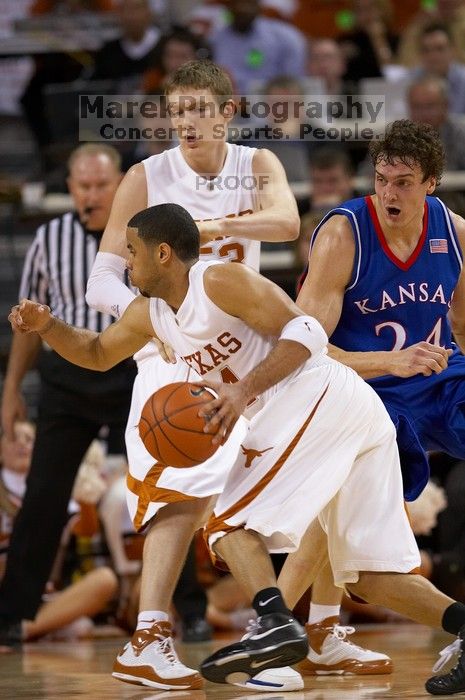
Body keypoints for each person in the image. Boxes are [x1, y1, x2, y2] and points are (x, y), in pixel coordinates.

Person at [10, 201, 465, 697]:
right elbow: (97, 354)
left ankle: (273, 624)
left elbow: (308, 331)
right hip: (349, 416)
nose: (125, 264)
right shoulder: (151, 315)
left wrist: (243, 390)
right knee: (373, 578)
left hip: (318, 399)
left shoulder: (218, 281)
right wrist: (49, 327)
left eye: (132, 252)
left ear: (163, 254)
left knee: (226, 525)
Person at [84, 58, 305, 691]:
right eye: (177, 111)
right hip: (180, 350)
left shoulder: (257, 166)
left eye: (198, 110)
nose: (186, 122)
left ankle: (300, 628)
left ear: (226, 112)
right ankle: (152, 633)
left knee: (285, 479)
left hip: (251, 348)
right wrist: (154, 316)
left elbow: (287, 222)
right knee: (187, 487)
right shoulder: (147, 177)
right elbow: (103, 276)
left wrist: (206, 229)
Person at [296, 118, 465, 695]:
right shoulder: (344, 235)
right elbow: (309, 349)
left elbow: (463, 324)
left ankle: (309, 630)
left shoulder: (456, 233)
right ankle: (295, 627)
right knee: (351, 533)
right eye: (382, 179)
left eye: (404, 182)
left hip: (434, 375)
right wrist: (389, 363)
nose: (389, 193)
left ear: (433, 185)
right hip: (361, 389)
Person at [0, 143, 135, 649]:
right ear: (71, 188)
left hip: (129, 370)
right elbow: (26, 322)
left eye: (101, 185)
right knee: (44, 495)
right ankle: (13, 615)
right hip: (67, 378)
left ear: (119, 183)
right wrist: (12, 387)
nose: (91, 194)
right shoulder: (49, 237)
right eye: (83, 185)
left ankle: (183, 610)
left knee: (163, 486)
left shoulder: (141, 232)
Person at [0, 422, 118, 645]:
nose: (23, 444)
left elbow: (86, 530)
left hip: (42, 597)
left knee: (105, 580)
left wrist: (86, 498)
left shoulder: (52, 487)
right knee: (81, 628)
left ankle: (22, 630)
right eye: (14, 438)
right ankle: (38, 628)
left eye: (29, 439)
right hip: (4, 590)